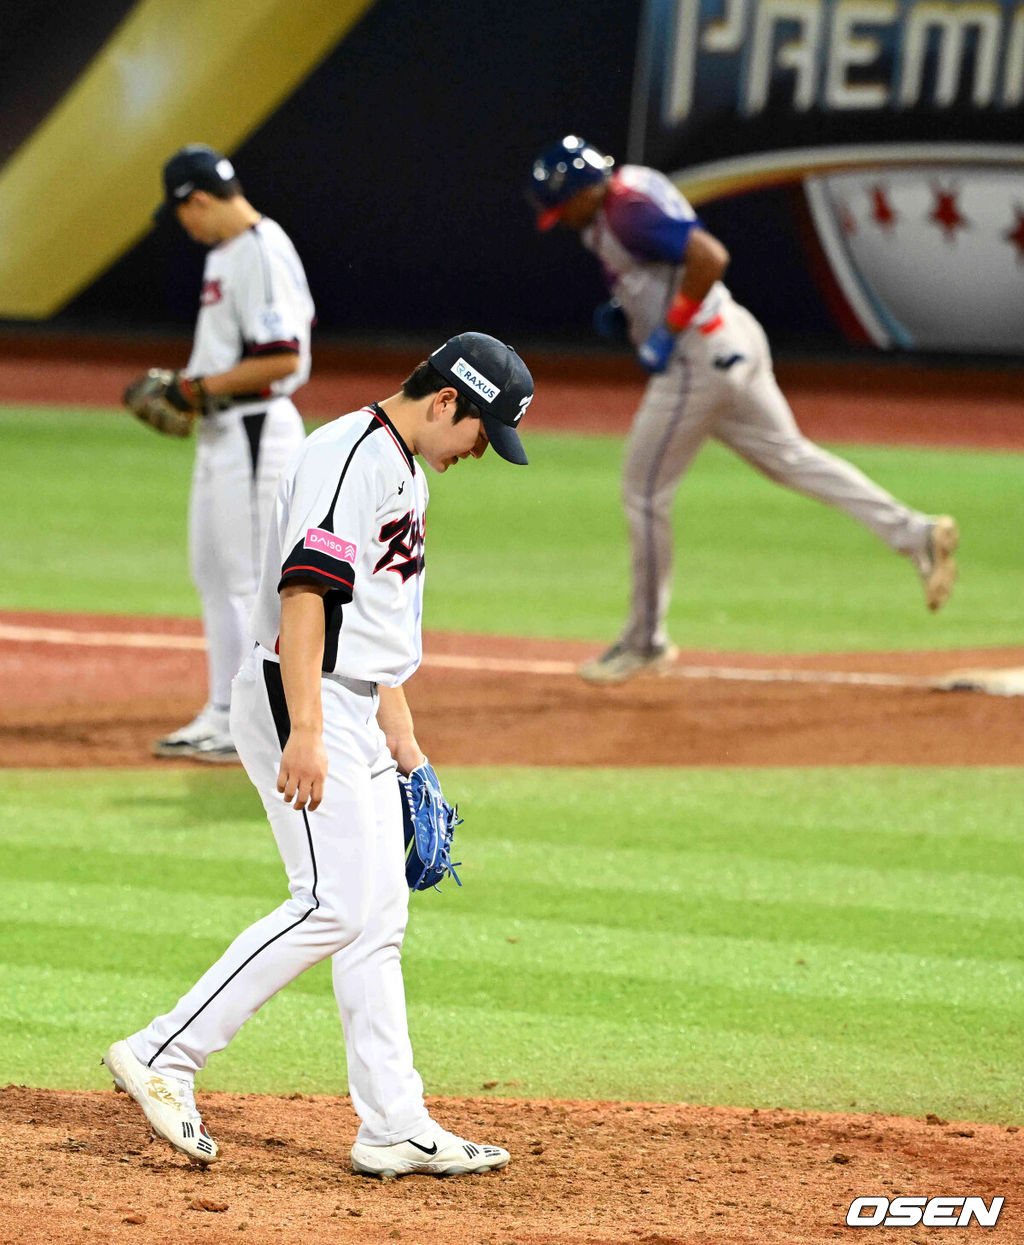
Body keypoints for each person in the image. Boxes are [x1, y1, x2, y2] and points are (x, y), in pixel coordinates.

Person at [103, 332, 533, 1178]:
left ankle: (392, 1122)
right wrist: (306, 729)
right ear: (448, 400)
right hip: (301, 692)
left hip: (355, 700)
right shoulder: (350, 457)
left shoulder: (405, 466)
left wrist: (404, 745)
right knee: (332, 902)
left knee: (378, 918)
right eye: (481, 432)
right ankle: (163, 1052)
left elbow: (373, 623)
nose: (479, 452)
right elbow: (307, 596)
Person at [527, 136, 959, 684]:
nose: (562, 220)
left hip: (698, 358)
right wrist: (630, 305)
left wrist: (667, 327)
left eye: (564, 207)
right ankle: (914, 532)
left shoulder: (627, 211)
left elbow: (709, 256)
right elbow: (662, 262)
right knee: (793, 458)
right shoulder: (628, 192)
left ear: (584, 189)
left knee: (643, 493)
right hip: (733, 337)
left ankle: (645, 641)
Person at [151, 143, 313, 758]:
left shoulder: (262, 252)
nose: (185, 228)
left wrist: (195, 388)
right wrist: (197, 389)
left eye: (183, 214)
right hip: (226, 430)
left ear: (195, 200)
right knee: (214, 574)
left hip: (255, 430)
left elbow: (283, 357)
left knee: (249, 580)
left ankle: (261, 723)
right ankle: (224, 712)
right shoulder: (231, 253)